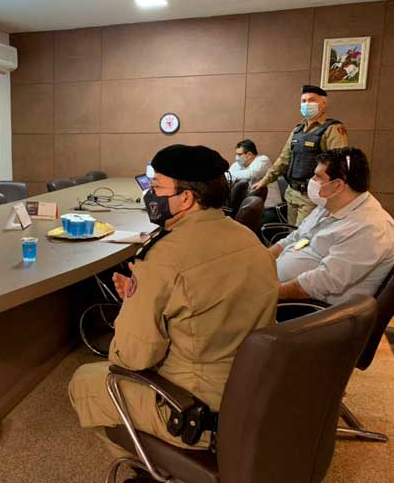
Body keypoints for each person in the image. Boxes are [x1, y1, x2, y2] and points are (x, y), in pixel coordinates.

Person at [68, 145, 279, 463]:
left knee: (85, 381)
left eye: (156, 187)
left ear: (187, 198)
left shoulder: (163, 255)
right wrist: (143, 298)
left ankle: (157, 470)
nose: (149, 196)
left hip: (197, 410)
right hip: (252, 391)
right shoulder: (248, 238)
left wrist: (133, 308)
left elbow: (132, 357)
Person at [271, 147, 394, 305]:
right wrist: (260, 260)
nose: (311, 180)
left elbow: (318, 283)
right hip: (277, 286)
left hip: (310, 308)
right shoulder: (328, 205)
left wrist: (266, 293)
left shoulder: (371, 227)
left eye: (318, 176)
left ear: (338, 185)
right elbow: (294, 239)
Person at [252, 85, 348, 226]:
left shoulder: (332, 129)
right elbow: (284, 159)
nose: (307, 104)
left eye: (312, 100)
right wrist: (265, 181)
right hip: (292, 192)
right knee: (292, 234)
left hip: (312, 195)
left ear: (323, 103)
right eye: (303, 101)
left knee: (303, 236)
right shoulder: (297, 130)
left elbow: (338, 164)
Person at [228, 139, 282, 210]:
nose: (237, 157)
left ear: (249, 154)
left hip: (269, 208)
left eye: (239, 154)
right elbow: (228, 177)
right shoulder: (238, 165)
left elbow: (250, 174)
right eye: (236, 154)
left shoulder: (263, 160)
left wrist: (230, 175)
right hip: (250, 208)